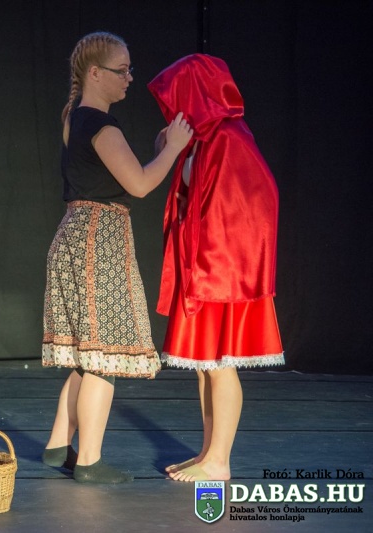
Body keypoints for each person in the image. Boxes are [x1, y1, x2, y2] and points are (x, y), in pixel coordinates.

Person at [41, 31, 193, 484]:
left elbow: (120, 175)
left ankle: (58, 443)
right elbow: (140, 185)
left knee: (89, 353)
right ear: (95, 73)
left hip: (79, 233)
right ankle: (88, 460)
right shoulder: (101, 125)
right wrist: (174, 148)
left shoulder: (76, 118)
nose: (129, 78)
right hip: (98, 240)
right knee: (104, 355)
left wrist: (159, 155)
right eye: (121, 70)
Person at [147, 54, 285, 482]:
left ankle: (220, 461)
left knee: (221, 364)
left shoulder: (229, 137)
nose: (172, 110)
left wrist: (218, 266)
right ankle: (209, 452)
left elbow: (255, 205)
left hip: (221, 274)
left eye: (178, 100)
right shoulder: (204, 140)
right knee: (205, 367)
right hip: (203, 270)